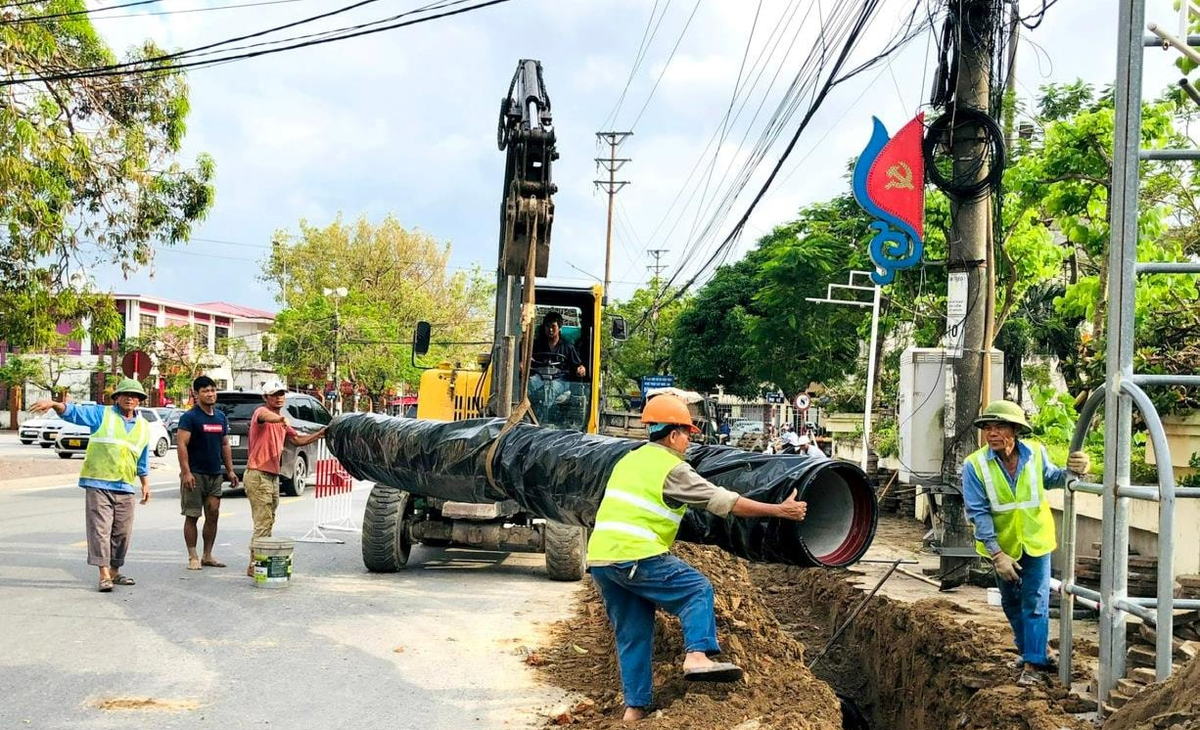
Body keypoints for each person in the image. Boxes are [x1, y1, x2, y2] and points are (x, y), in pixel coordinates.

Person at [586, 393, 810, 722]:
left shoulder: (630, 459)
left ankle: (634, 709)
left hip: (602, 559)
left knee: (633, 634)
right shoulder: (672, 469)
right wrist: (778, 510)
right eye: (688, 434)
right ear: (673, 434)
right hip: (634, 554)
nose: (690, 442)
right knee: (696, 590)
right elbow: (725, 502)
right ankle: (697, 656)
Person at [962, 400, 1090, 686]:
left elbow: (1054, 478)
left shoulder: (1035, 455)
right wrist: (998, 555)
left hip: (1036, 541)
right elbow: (978, 512)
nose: (992, 433)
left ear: (1016, 430)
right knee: (1011, 601)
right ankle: (1033, 649)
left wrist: (1078, 470)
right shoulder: (974, 466)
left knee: (1035, 600)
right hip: (1003, 546)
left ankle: (1033, 663)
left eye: (1000, 427)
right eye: (988, 428)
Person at [31, 380, 152, 592]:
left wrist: (145, 483)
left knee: (122, 532)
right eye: (125, 394)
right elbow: (75, 413)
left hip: (125, 485)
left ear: (140, 400)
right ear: (116, 398)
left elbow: (141, 457)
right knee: (101, 529)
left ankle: (115, 571)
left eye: (135, 395)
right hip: (98, 482)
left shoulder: (143, 426)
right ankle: (104, 574)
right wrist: (55, 404)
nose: (130, 398)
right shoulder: (102, 415)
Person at [243, 381, 327, 577]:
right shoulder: (262, 413)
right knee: (262, 523)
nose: (279, 397)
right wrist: (281, 420)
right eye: (274, 394)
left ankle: (257, 561)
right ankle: (255, 564)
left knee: (269, 520)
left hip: (272, 476)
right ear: (266, 397)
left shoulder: (281, 420)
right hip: (258, 474)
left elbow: (297, 440)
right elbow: (265, 417)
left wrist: (319, 434)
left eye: (281, 394)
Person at [177, 375, 238, 570]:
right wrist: (186, 472)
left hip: (214, 474)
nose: (210, 394)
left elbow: (225, 444)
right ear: (196, 394)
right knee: (192, 515)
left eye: (213, 390)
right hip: (195, 474)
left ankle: (207, 554)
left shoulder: (220, 416)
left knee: (213, 513)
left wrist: (230, 471)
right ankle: (193, 555)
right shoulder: (190, 417)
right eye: (205, 391)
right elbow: (181, 445)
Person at [527, 311, 586, 422]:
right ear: (544, 328)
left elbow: (577, 365)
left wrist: (580, 368)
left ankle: (542, 421)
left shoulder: (568, 347)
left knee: (549, 389)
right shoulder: (536, 345)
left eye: (553, 326)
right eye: (547, 326)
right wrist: (523, 363)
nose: (550, 330)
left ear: (559, 327)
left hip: (560, 380)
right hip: (539, 377)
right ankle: (526, 417)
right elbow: (526, 361)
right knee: (529, 385)